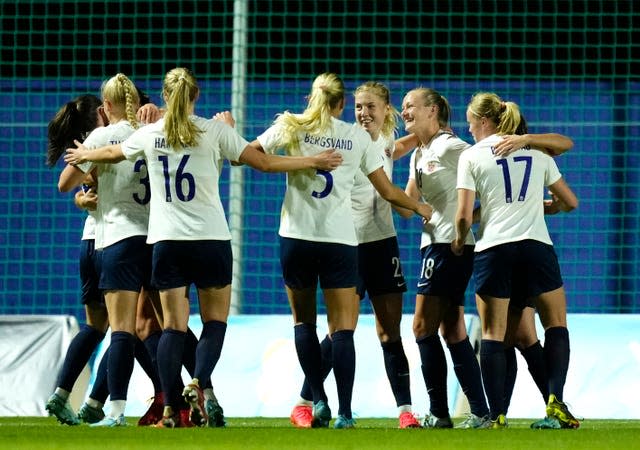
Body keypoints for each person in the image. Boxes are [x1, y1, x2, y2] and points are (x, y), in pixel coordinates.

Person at [63, 67, 345, 428]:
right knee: (214, 324)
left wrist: (83, 153)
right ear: (196, 96)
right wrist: (312, 161)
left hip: (166, 242)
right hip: (211, 240)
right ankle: (197, 382)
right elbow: (264, 162)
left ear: (165, 98)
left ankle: (170, 410)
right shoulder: (215, 131)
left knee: (172, 329)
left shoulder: (151, 133)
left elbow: (114, 152)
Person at [251, 73, 433, 429]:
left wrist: (424, 135)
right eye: (358, 107)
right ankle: (307, 400)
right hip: (347, 241)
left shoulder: (383, 140)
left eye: (370, 107)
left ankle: (404, 411)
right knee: (339, 331)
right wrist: (420, 207)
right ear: (346, 107)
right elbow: (387, 184)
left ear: (386, 110)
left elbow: (395, 149)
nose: (363, 113)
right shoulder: (349, 139)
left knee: (389, 331)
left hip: (381, 242)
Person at [452, 91, 580, 429]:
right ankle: (555, 402)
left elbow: (464, 214)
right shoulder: (536, 151)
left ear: (483, 122)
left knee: (495, 333)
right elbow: (570, 201)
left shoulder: (472, 156)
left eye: (470, 124)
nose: (469, 131)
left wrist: (457, 237)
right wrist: (547, 206)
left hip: (494, 250)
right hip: (536, 248)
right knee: (553, 325)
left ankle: (496, 416)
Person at [58, 73, 157, 427]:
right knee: (156, 326)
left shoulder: (101, 137)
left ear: (107, 106)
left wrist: (85, 180)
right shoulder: (150, 134)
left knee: (121, 330)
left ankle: (112, 406)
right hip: (155, 238)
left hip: (114, 238)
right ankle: (185, 394)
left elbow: (64, 182)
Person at [394, 87, 492, 429]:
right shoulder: (418, 154)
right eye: (403, 107)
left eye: (410, 106)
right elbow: (407, 207)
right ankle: (479, 411)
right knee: (452, 329)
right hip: (434, 245)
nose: (404, 111)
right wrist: (374, 179)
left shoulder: (452, 147)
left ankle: (439, 413)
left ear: (432, 110)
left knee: (422, 326)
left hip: (449, 247)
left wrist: (467, 223)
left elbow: (486, 172)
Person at [44, 94, 108, 426]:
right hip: (116, 243)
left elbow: (63, 184)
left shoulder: (89, 147)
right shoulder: (107, 140)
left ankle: (60, 394)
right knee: (133, 329)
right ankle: (98, 402)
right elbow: (66, 183)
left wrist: (82, 196)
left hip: (89, 243)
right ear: (103, 111)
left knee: (96, 326)